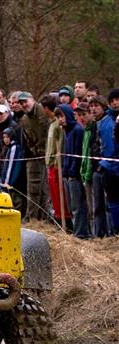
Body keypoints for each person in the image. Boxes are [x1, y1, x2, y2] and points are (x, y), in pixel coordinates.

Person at [57, 104, 91, 239]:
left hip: (74, 175)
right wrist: (65, 171)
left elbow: (77, 153)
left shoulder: (77, 130)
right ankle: (76, 231)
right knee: (71, 206)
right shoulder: (66, 131)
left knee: (78, 206)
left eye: (61, 116)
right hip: (67, 173)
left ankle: (81, 233)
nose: (60, 119)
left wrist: (72, 171)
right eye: (58, 117)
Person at [18, 91, 51, 222]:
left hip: (50, 155)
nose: (24, 105)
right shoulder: (25, 119)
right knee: (35, 188)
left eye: (25, 101)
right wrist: (35, 151)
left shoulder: (44, 112)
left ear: (32, 99)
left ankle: (42, 216)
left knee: (44, 188)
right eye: (21, 103)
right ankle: (35, 217)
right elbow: (28, 139)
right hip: (36, 156)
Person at [41, 94, 70, 228]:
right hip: (50, 164)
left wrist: (58, 161)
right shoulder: (52, 124)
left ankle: (65, 221)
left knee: (60, 194)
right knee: (54, 194)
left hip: (57, 164)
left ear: (47, 108)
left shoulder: (58, 125)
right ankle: (58, 217)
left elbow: (61, 143)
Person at [76, 102, 103, 237]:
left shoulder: (93, 129)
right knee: (89, 207)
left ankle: (97, 234)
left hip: (93, 172)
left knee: (95, 207)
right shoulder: (85, 131)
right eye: (79, 115)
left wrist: (89, 171)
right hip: (85, 172)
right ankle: (93, 233)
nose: (81, 118)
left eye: (84, 114)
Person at [97, 89, 119, 233]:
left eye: (117, 99)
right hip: (110, 168)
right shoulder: (106, 122)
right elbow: (106, 148)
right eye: (112, 101)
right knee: (112, 203)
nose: (115, 103)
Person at [0, 127, 27, 216]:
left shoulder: (14, 148)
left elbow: (11, 166)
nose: (5, 139)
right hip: (9, 181)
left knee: (16, 201)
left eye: (7, 137)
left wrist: (7, 182)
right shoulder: (8, 148)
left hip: (14, 182)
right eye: (4, 137)